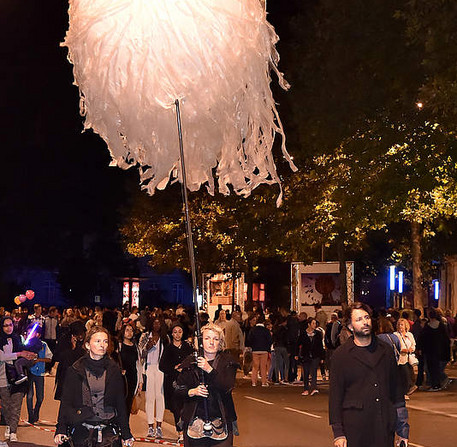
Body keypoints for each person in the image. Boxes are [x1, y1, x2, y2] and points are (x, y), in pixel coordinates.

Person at [329, 303, 409, 447]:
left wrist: (403, 430)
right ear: (350, 326)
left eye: (366, 317)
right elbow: (335, 396)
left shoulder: (385, 350)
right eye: (359, 319)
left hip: (384, 425)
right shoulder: (340, 356)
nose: (365, 322)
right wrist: (338, 433)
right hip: (355, 428)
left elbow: (396, 391)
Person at [54, 326, 134, 447]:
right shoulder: (75, 370)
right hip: (81, 428)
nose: (102, 345)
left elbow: (120, 403)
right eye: (98, 341)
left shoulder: (114, 370)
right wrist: (61, 429)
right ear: (87, 345)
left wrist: (126, 433)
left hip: (107, 430)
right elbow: (66, 402)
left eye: (105, 341)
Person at [176, 323, 239, 447]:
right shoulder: (191, 361)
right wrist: (192, 391)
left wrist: (209, 369)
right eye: (207, 338)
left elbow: (227, 386)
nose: (211, 342)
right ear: (200, 342)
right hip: (194, 423)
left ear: (220, 342)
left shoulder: (228, 362)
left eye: (215, 339)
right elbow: (177, 388)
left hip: (222, 421)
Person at [0, 316, 37, 441]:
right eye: (5, 325)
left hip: (18, 376)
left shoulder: (17, 338)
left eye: (10, 324)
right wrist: (20, 354)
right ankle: (9, 427)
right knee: (6, 406)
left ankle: (13, 431)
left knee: (16, 405)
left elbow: (23, 351)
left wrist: (29, 355)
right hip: (3, 377)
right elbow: (3, 357)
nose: (9, 327)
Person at [159, 323, 193, 442]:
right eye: (175, 332)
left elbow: (193, 361)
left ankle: (188, 431)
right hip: (173, 383)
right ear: (171, 333)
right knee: (176, 408)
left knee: (188, 407)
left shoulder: (188, 347)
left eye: (180, 331)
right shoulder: (168, 348)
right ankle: (180, 433)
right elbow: (162, 366)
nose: (177, 334)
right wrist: (174, 368)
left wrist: (184, 367)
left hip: (187, 382)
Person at [138, 317, 169, 439]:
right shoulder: (145, 336)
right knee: (149, 397)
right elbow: (140, 353)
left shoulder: (165, 338)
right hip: (149, 368)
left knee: (160, 397)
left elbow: (168, 355)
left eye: (159, 323)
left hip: (160, 369)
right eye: (154, 323)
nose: (156, 325)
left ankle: (159, 426)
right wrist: (148, 347)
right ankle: (150, 426)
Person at [25, 324, 53, 424]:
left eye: (31, 333)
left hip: (40, 373)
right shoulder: (25, 345)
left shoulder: (43, 345)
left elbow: (49, 359)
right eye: (27, 333)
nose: (29, 335)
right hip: (29, 372)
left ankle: (36, 413)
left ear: (38, 334)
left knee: (40, 397)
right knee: (29, 396)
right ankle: (30, 417)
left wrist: (38, 360)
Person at [118, 324, 142, 418]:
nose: (129, 332)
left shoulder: (135, 346)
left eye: (131, 330)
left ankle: (126, 427)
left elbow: (138, 364)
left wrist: (140, 381)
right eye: (127, 330)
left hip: (132, 377)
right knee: (120, 402)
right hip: (121, 378)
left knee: (128, 402)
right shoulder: (119, 345)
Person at [296, 317, 324, 395]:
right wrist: (296, 354)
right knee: (306, 372)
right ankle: (306, 389)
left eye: (315, 323)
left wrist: (322, 357)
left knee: (314, 371)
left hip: (315, 355)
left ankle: (314, 388)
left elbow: (320, 346)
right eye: (313, 323)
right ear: (309, 324)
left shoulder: (318, 334)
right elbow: (298, 344)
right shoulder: (303, 334)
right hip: (306, 355)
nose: (314, 325)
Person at [246, 314, 272, 387]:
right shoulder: (266, 330)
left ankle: (254, 382)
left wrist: (253, 346)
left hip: (255, 350)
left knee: (255, 367)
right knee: (263, 367)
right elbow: (270, 340)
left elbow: (249, 339)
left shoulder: (253, 330)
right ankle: (263, 382)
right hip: (264, 350)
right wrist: (267, 347)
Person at [394, 318, 417, 398]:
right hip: (400, 359)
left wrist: (411, 349)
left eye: (402, 325)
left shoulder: (409, 335)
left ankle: (406, 391)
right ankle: (403, 393)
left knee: (410, 375)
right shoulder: (396, 335)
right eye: (399, 324)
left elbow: (413, 344)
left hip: (408, 358)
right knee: (404, 376)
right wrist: (403, 350)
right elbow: (395, 346)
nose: (400, 326)